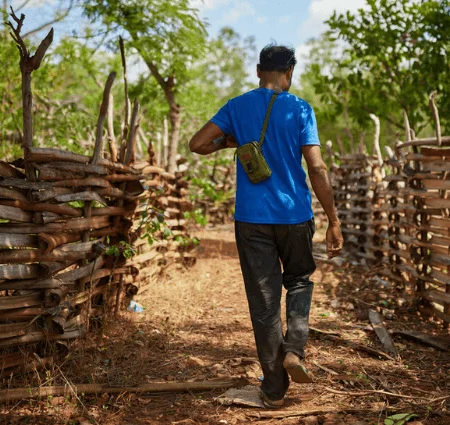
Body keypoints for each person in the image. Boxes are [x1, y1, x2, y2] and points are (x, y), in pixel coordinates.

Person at [188, 43, 343, 408]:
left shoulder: (236, 106)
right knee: (300, 280)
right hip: (295, 216)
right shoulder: (301, 109)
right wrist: (333, 220)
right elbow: (317, 168)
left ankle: (273, 389)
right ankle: (295, 350)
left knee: (264, 304)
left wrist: (229, 144)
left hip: (251, 219)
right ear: (289, 72)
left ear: (259, 71)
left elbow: (196, 144)